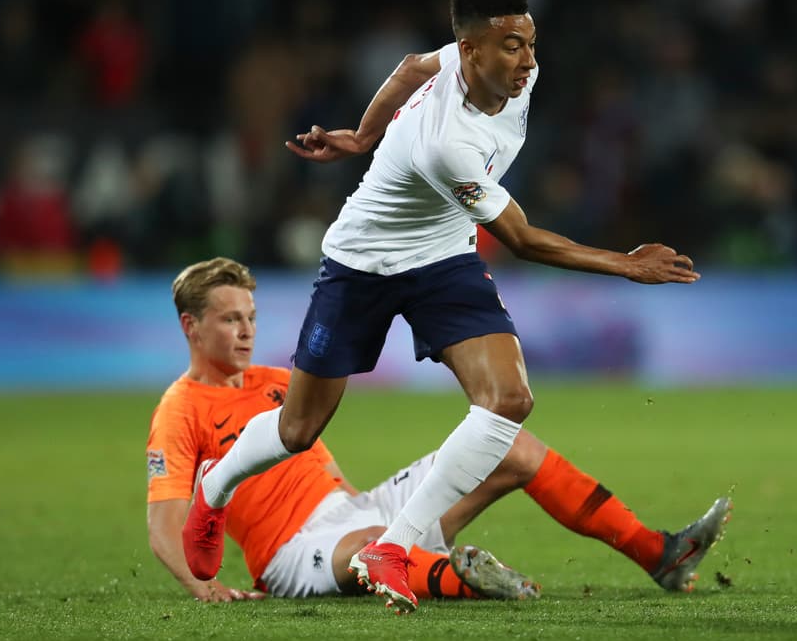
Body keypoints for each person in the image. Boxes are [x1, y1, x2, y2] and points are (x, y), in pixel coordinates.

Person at [182, 0, 703, 614]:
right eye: (511, 47)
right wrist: (625, 265)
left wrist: (363, 136)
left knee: (509, 399)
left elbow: (408, 67)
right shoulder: (444, 143)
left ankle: (393, 547)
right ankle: (216, 485)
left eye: (531, 44)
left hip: (442, 257)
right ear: (472, 50)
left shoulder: (501, 70)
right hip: (362, 262)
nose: (528, 61)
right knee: (299, 428)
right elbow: (520, 239)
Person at [159, 258, 729, 604]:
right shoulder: (180, 410)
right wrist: (199, 584)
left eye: (251, 317)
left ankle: (661, 554)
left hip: (358, 508)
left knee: (512, 444)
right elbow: (163, 521)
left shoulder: (280, 379)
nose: (245, 330)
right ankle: (468, 581)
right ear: (190, 326)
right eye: (230, 319)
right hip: (294, 553)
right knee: (366, 547)